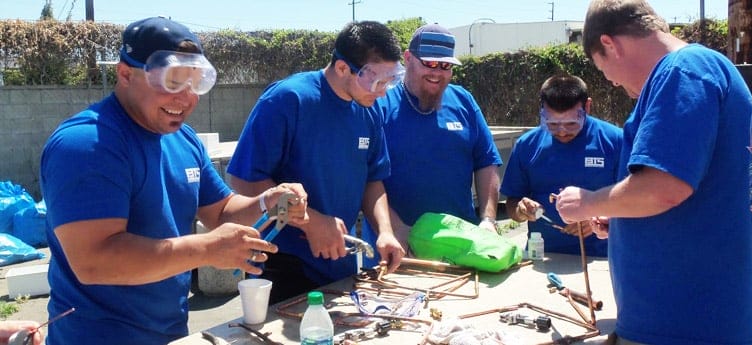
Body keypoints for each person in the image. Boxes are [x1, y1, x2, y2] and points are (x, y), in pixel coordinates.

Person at [39, 17, 308, 345]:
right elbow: (94, 261)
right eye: (171, 82)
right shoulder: (87, 144)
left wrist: (268, 201)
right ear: (125, 74)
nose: (186, 98)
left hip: (170, 333)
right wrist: (207, 248)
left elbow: (221, 211)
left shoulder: (183, 140)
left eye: (195, 84)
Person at [555, 1, 752, 344]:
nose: (613, 83)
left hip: (681, 326)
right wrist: (621, 215)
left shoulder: (683, 71)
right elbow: (692, 192)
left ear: (610, 44)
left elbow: (663, 189)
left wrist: (588, 202)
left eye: (604, 69)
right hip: (695, 322)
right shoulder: (704, 71)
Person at [227, 21, 406, 304]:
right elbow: (244, 181)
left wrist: (385, 231)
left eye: (389, 81)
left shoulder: (369, 111)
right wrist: (310, 222)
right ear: (343, 68)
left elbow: (373, 180)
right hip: (283, 263)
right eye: (376, 82)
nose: (383, 92)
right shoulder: (288, 100)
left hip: (340, 263)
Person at [370, 23, 503, 248]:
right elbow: (367, 178)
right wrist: (396, 229)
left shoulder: (463, 101)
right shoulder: (380, 104)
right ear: (408, 58)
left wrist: (488, 219)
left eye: (445, 65)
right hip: (398, 246)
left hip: (460, 244)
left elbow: (486, 162)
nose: (437, 72)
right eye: (429, 63)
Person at [500, 75, 621, 257]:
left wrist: (602, 219)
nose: (562, 132)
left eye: (571, 123)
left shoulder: (615, 141)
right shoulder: (527, 145)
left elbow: (637, 199)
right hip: (543, 255)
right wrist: (521, 210)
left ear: (587, 107)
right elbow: (512, 203)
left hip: (603, 257)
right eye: (552, 124)